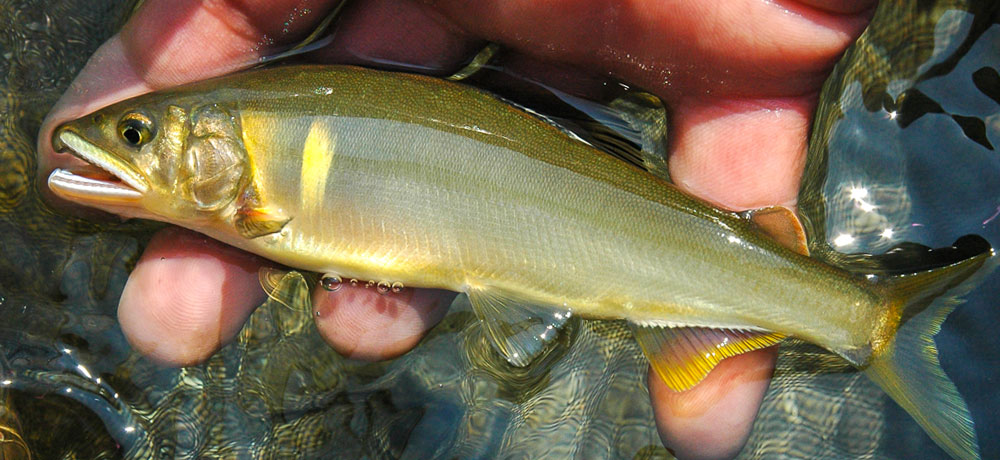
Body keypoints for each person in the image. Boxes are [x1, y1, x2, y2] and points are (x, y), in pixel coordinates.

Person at [36, 1, 875, 458]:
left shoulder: (256, 198)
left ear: (221, 150)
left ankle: (866, 320)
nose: (111, 145)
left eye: (136, 136)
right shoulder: (248, 151)